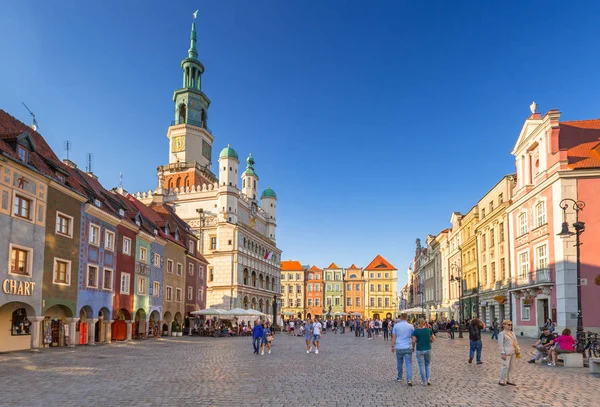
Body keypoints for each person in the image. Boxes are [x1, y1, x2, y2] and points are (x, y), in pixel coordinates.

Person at [391, 313, 415, 386]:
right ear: (407, 318)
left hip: (399, 347)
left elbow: (394, 337)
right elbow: (413, 338)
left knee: (399, 363)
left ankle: (399, 377)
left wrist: (392, 346)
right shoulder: (411, 326)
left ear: (400, 318)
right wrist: (413, 346)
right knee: (409, 363)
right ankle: (409, 380)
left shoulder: (396, 326)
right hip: (408, 346)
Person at [412, 318, 434, 386]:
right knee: (427, 364)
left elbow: (413, 341)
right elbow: (434, 338)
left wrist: (413, 347)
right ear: (425, 323)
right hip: (428, 349)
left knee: (421, 365)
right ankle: (428, 379)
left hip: (419, 349)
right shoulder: (428, 330)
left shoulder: (416, 331)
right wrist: (430, 341)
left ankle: (424, 381)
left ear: (418, 323)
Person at [498, 320, 520, 386]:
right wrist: (502, 353)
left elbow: (516, 342)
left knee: (512, 366)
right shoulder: (502, 334)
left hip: (513, 351)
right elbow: (500, 344)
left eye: (511, 325)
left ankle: (509, 380)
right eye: (508, 325)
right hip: (506, 352)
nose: (510, 326)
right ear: (504, 325)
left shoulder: (512, 333)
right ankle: (501, 380)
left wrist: (518, 349)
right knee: (505, 366)